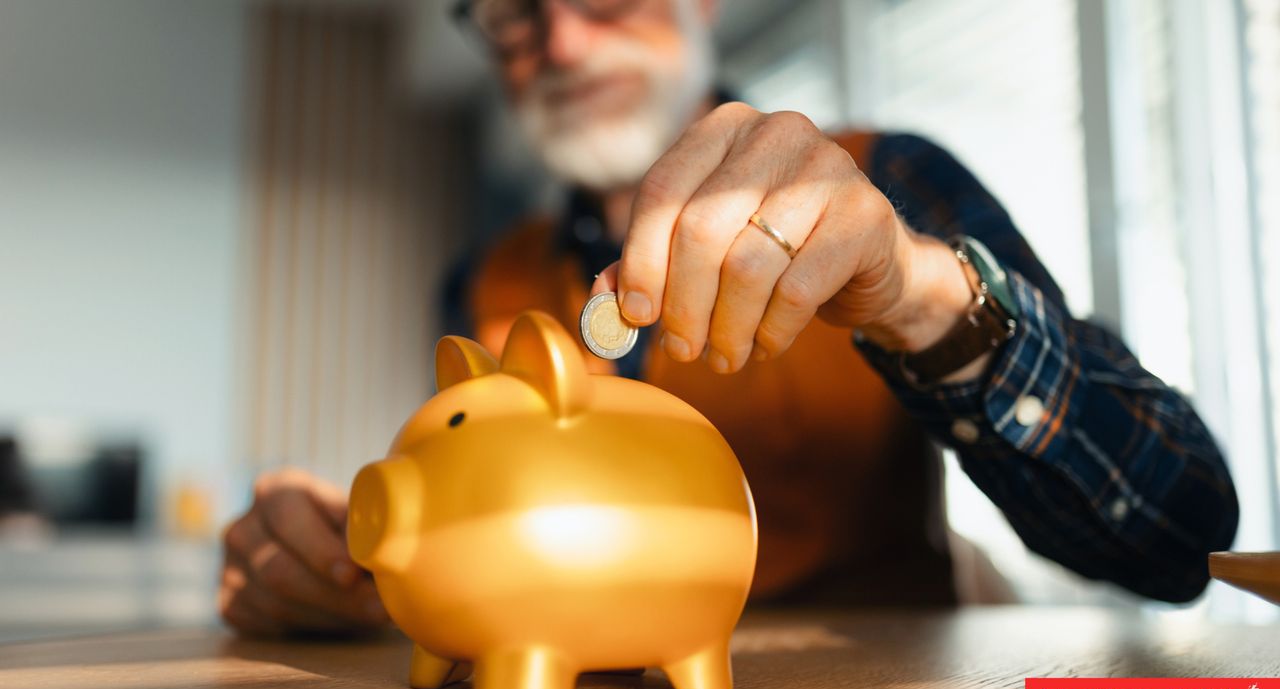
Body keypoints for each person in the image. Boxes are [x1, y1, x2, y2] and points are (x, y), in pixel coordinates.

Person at [219, 0, 1239, 635]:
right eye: (512, 10)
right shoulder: (484, 280)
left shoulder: (892, 181)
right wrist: (343, 570)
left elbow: (1181, 535)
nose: (561, 39)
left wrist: (921, 296)